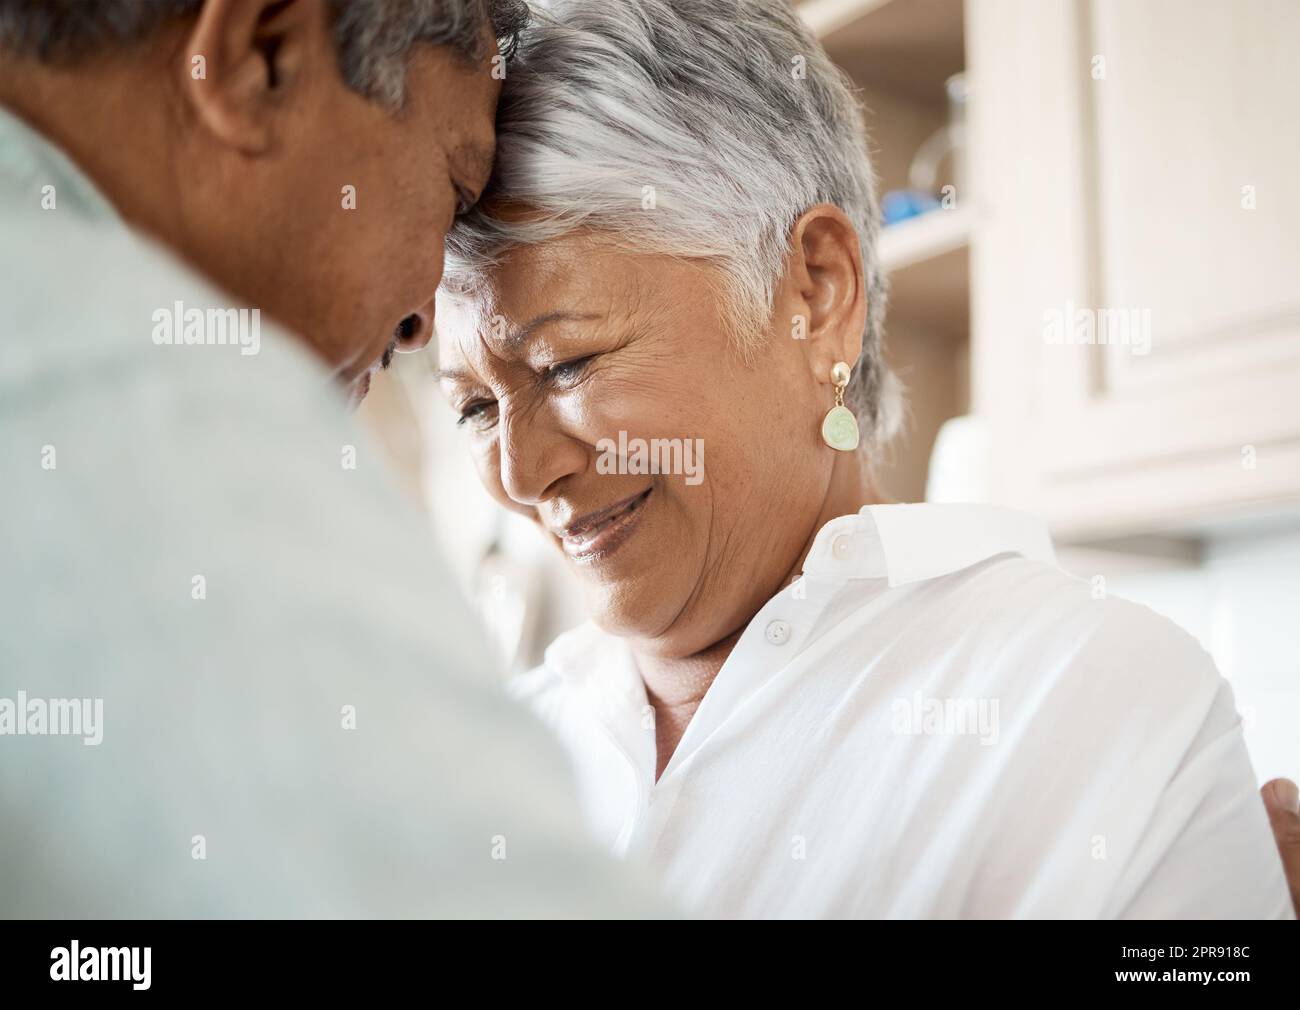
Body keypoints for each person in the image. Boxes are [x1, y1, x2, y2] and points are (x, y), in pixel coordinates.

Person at [434, 0, 1294, 917]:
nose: (522, 476)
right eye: (475, 408)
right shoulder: (498, 751)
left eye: (568, 362)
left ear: (815, 289)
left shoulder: (1089, 699)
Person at [0, 0, 666, 917]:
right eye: (453, 189)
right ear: (258, 56)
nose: (421, 317)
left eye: (570, 361)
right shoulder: (138, 395)